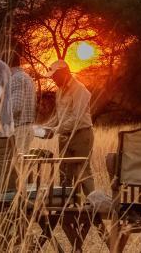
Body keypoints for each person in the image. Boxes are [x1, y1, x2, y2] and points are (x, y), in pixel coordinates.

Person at [44, 60, 95, 195]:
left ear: (64, 73)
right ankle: (65, 209)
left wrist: (55, 130)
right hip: (64, 136)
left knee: (83, 172)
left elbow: (76, 118)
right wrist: (46, 127)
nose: (53, 79)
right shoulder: (59, 91)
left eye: (55, 76)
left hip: (81, 135)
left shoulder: (80, 90)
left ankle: (92, 208)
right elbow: (59, 116)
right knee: (64, 172)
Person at [9, 43, 36, 154]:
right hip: (26, 128)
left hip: (19, 130)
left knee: (16, 166)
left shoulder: (15, 79)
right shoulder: (27, 77)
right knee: (22, 166)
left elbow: (16, 107)